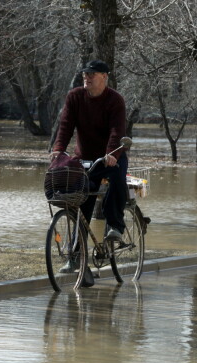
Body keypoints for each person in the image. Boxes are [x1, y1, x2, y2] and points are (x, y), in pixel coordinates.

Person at [50, 59, 128, 286]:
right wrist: (58, 150)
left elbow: (117, 130)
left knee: (116, 180)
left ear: (104, 77)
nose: (87, 77)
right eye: (85, 73)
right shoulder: (75, 96)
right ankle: (76, 257)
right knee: (80, 201)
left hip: (111, 155)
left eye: (92, 74)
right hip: (83, 157)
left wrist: (112, 154)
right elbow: (66, 125)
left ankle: (115, 226)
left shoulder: (115, 100)